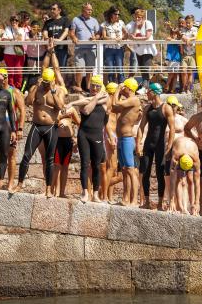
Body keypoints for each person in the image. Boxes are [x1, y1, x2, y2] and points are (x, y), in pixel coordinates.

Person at [13, 67, 63, 196]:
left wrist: (52, 91)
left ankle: (48, 188)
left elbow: (61, 107)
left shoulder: (58, 90)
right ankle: (19, 184)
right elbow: (28, 102)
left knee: (49, 159)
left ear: (52, 80)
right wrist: (36, 86)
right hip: (37, 126)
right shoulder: (37, 89)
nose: (46, 84)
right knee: (26, 155)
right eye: (44, 82)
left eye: (48, 82)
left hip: (51, 127)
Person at [65, 74, 109, 202]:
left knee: (96, 165)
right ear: (89, 85)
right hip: (84, 134)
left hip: (97, 136)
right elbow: (87, 111)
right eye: (93, 85)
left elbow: (89, 105)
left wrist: (74, 103)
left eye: (98, 86)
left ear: (101, 87)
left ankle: (95, 194)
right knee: (84, 164)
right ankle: (85, 192)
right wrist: (94, 98)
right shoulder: (82, 97)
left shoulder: (106, 98)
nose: (95, 88)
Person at [137, 82, 176, 209]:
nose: (146, 95)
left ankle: (160, 203)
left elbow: (172, 129)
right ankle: (146, 201)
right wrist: (138, 144)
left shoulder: (166, 108)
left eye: (148, 92)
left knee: (160, 174)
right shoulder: (147, 108)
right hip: (149, 144)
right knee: (145, 172)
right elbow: (141, 127)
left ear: (154, 93)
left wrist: (169, 147)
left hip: (161, 145)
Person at [109, 78, 143, 206]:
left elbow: (115, 104)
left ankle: (134, 200)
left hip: (128, 139)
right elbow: (114, 109)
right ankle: (126, 198)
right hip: (122, 139)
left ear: (129, 88)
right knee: (124, 170)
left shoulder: (134, 99)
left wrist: (117, 89)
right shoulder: (127, 102)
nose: (122, 89)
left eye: (124, 88)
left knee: (130, 169)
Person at [0, 68, 23, 190]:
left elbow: (19, 111)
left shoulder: (12, 92)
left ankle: (6, 182)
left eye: (5, 76)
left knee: (9, 154)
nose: (3, 79)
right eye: (1, 76)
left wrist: (19, 129)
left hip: (8, 126)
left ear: (8, 77)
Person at [69, 2, 100, 92]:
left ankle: (88, 88)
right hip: (79, 49)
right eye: (88, 9)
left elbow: (98, 34)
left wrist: (95, 37)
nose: (90, 11)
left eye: (91, 9)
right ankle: (79, 88)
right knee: (79, 68)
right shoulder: (75, 19)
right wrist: (74, 37)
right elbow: (71, 32)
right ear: (83, 10)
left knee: (90, 69)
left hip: (91, 49)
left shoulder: (94, 20)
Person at [168, 136, 200, 215]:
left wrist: (197, 202)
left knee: (190, 180)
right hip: (177, 145)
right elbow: (172, 180)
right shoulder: (175, 156)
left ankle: (190, 206)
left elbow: (197, 182)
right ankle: (181, 207)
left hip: (190, 148)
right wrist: (171, 201)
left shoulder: (196, 159)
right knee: (179, 180)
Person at [125, 8, 156, 88]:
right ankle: (145, 86)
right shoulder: (134, 24)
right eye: (136, 17)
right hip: (139, 50)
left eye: (139, 17)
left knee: (146, 68)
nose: (137, 19)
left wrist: (135, 39)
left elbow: (147, 36)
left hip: (147, 50)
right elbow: (133, 35)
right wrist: (136, 26)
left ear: (143, 17)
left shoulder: (148, 23)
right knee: (142, 69)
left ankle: (145, 87)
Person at [101, 6, 126, 85]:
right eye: (116, 14)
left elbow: (126, 34)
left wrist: (121, 37)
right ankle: (112, 85)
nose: (117, 16)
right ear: (111, 14)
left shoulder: (121, 22)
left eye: (118, 14)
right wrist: (113, 39)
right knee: (110, 68)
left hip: (119, 48)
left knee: (120, 67)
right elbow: (104, 36)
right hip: (109, 49)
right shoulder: (105, 24)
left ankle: (121, 85)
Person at [1, 15, 26, 90]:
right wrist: (11, 40)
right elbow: (3, 39)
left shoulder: (22, 29)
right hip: (8, 53)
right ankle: (11, 88)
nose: (14, 22)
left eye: (16, 20)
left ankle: (18, 88)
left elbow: (21, 39)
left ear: (19, 22)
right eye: (12, 20)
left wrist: (16, 30)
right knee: (11, 72)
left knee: (18, 71)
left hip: (19, 54)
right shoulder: (7, 29)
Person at [43, 3, 71, 69]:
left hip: (62, 48)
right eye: (51, 9)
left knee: (61, 69)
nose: (52, 11)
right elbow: (44, 32)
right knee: (50, 69)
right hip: (51, 48)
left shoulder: (65, 20)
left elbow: (66, 31)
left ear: (59, 10)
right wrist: (47, 39)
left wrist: (60, 40)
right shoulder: (47, 22)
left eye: (54, 9)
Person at [180, 15, 199, 93]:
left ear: (193, 22)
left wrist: (189, 39)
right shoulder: (183, 29)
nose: (187, 24)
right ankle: (184, 88)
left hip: (192, 54)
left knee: (190, 72)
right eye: (186, 23)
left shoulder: (195, 29)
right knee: (184, 71)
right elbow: (183, 36)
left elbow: (196, 37)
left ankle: (188, 89)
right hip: (184, 54)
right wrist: (187, 39)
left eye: (189, 23)